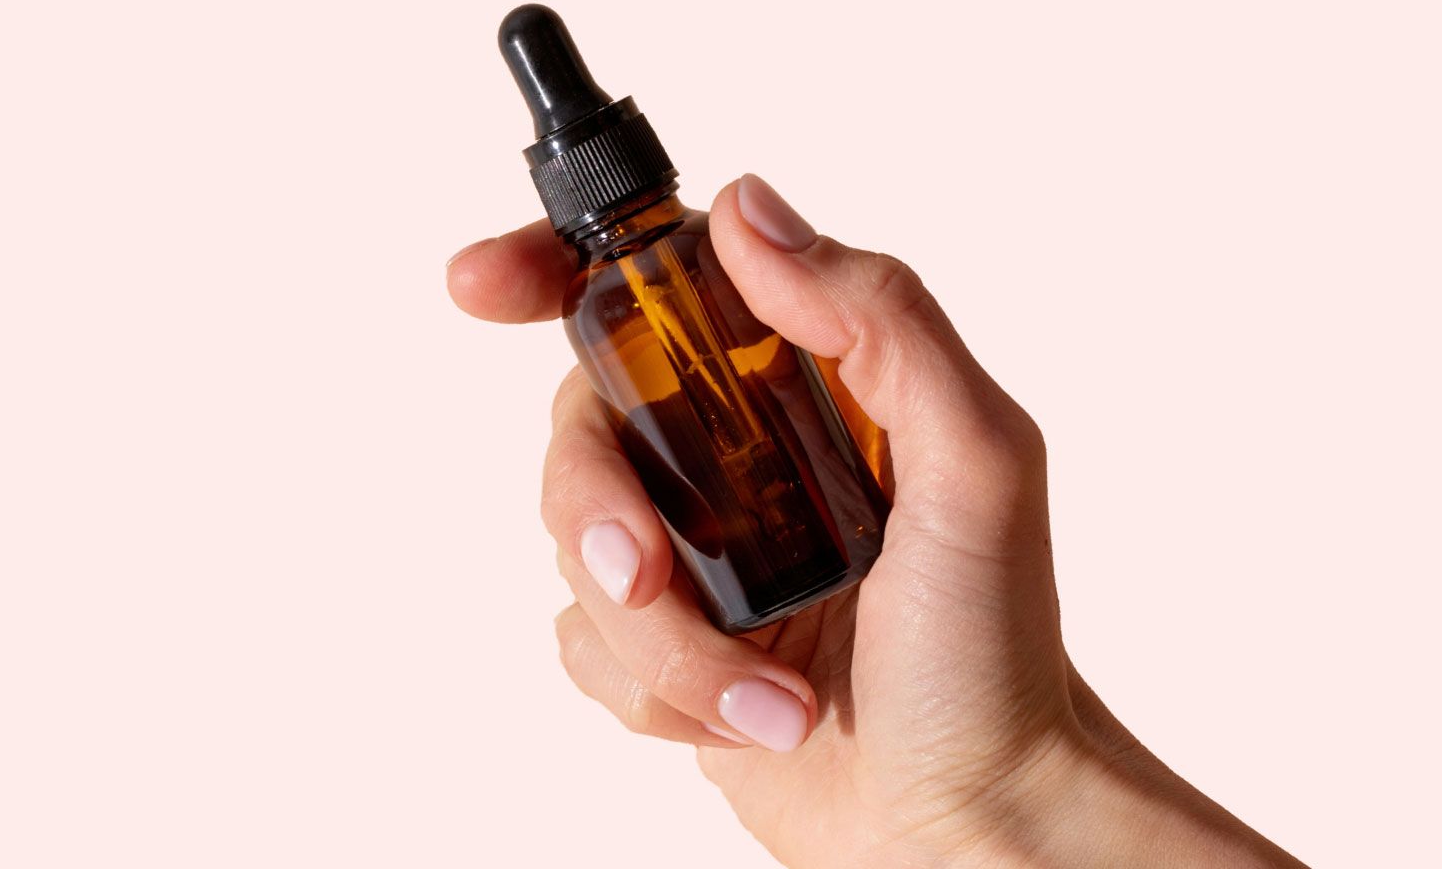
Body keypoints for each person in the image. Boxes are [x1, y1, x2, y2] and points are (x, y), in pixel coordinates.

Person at [447, 174, 1304, 868]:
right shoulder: (601, 304)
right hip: (826, 680)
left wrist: (997, 801)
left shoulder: (696, 257)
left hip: (849, 561)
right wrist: (948, 829)